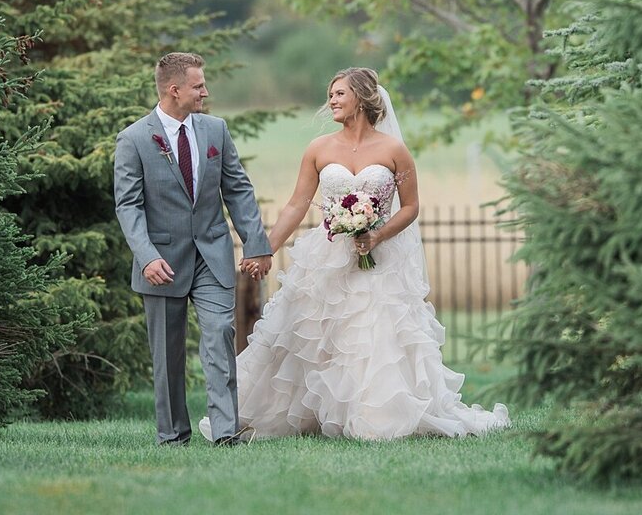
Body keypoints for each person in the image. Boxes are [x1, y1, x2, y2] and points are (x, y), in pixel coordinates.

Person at [201, 67, 509, 441]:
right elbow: (296, 205)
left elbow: (410, 207)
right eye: (330, 94)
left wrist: (376, 235)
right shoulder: (318, 149)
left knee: (373, 334)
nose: (331, 100)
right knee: (316, 334)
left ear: (362, 98)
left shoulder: (394, 150)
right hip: (326, 257)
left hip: (379, 260)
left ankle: (374, 417)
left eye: (340, 94)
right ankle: (312, 413)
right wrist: (263, 248)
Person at [114, 52, 273, 446]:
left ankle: (225, 433)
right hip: (162, 261)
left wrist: (257, 245)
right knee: (167, 356)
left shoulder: (215, 130)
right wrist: (147, 255)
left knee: (220, 333)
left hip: (212, 256)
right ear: (174, 90)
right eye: (198, 85)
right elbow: (128, 205)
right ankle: (172, 436)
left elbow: (238, 190)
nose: (206, 92)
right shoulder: (133, 139)